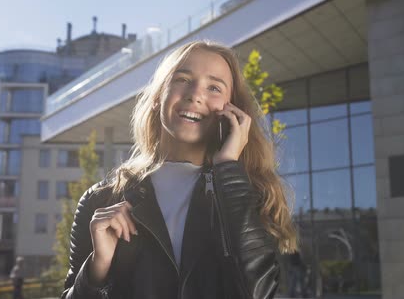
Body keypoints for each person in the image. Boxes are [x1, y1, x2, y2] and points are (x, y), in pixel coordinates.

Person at [61, 40, 298, 299]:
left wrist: (227, 167)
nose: (195, 94)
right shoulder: (99, 201)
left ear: (231, 110)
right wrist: (97, 267)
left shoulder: (250, 195)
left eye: (214, 87)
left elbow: (260, 293)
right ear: (157, 98)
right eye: (183, 79)